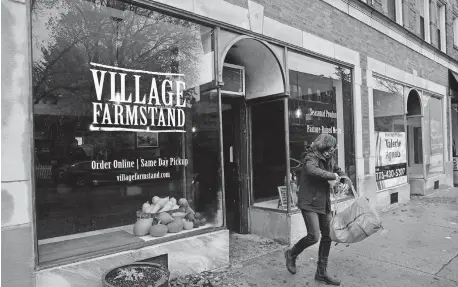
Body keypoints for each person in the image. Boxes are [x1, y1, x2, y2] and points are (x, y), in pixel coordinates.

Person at [284, 134, 351, 286]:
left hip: (323, 203)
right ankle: (291, 253)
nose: (331, 152)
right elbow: (311, 170)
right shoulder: (310, 156)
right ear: (322, 146)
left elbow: (340, 172)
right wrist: (332, 176)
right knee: (314, 236)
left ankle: (321, 272)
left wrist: (344, 180)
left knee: (327, 236)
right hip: (309, 203)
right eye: (329, 149)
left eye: (333, 150)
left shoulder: (330, 159)